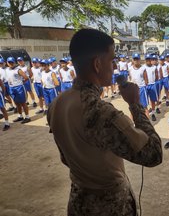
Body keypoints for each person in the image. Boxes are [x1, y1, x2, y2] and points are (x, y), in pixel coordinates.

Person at [47, 29, 162, 216]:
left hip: (78, 200)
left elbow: (65, 158)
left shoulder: (57, 103)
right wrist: (135, 105)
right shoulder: (100, 112)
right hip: (109, 206)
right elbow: (153, 155)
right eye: (112, 60)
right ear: (98, 64)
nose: (115, 66)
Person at [6, 57, 31, 123]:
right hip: (11, 87)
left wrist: (21, 83)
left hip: (19, 87)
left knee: (23, 103)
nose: (11, 64)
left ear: (14, 62)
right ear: (7, 63)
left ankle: (27, 117)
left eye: (12, 62)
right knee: (17, 103)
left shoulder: (18, 70)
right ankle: (20, 116)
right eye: (9, 62)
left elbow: (26, 77)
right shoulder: (7, 70)